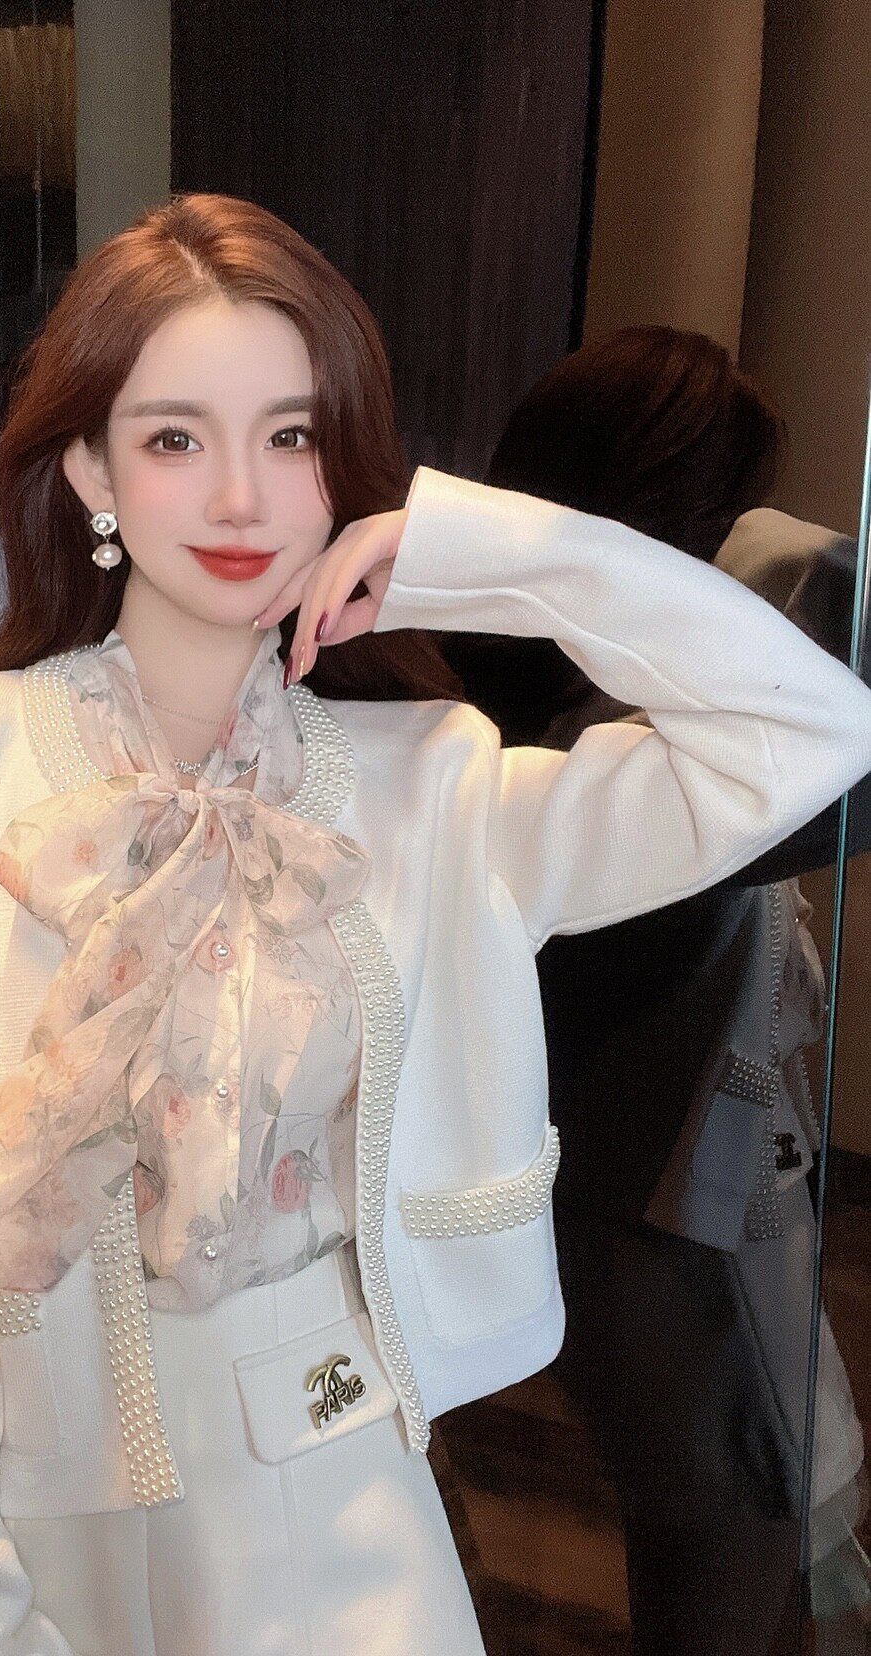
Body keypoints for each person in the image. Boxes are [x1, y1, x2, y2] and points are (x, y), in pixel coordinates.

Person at [0, 196, 871, 1656]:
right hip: (30, 1498)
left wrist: (493, 559)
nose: (242, 498)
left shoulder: (431, 782)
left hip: (337, 1478)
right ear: (89, 470)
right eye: (174, 439)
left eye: (291, 436)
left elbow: (810, 735)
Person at [446, 325, 870, 1654]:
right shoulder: (633, 766)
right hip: (678, 1225)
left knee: (729, 1531)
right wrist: (777, 562)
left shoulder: (514, 721)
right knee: (728, 1542)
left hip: (616, 1201)